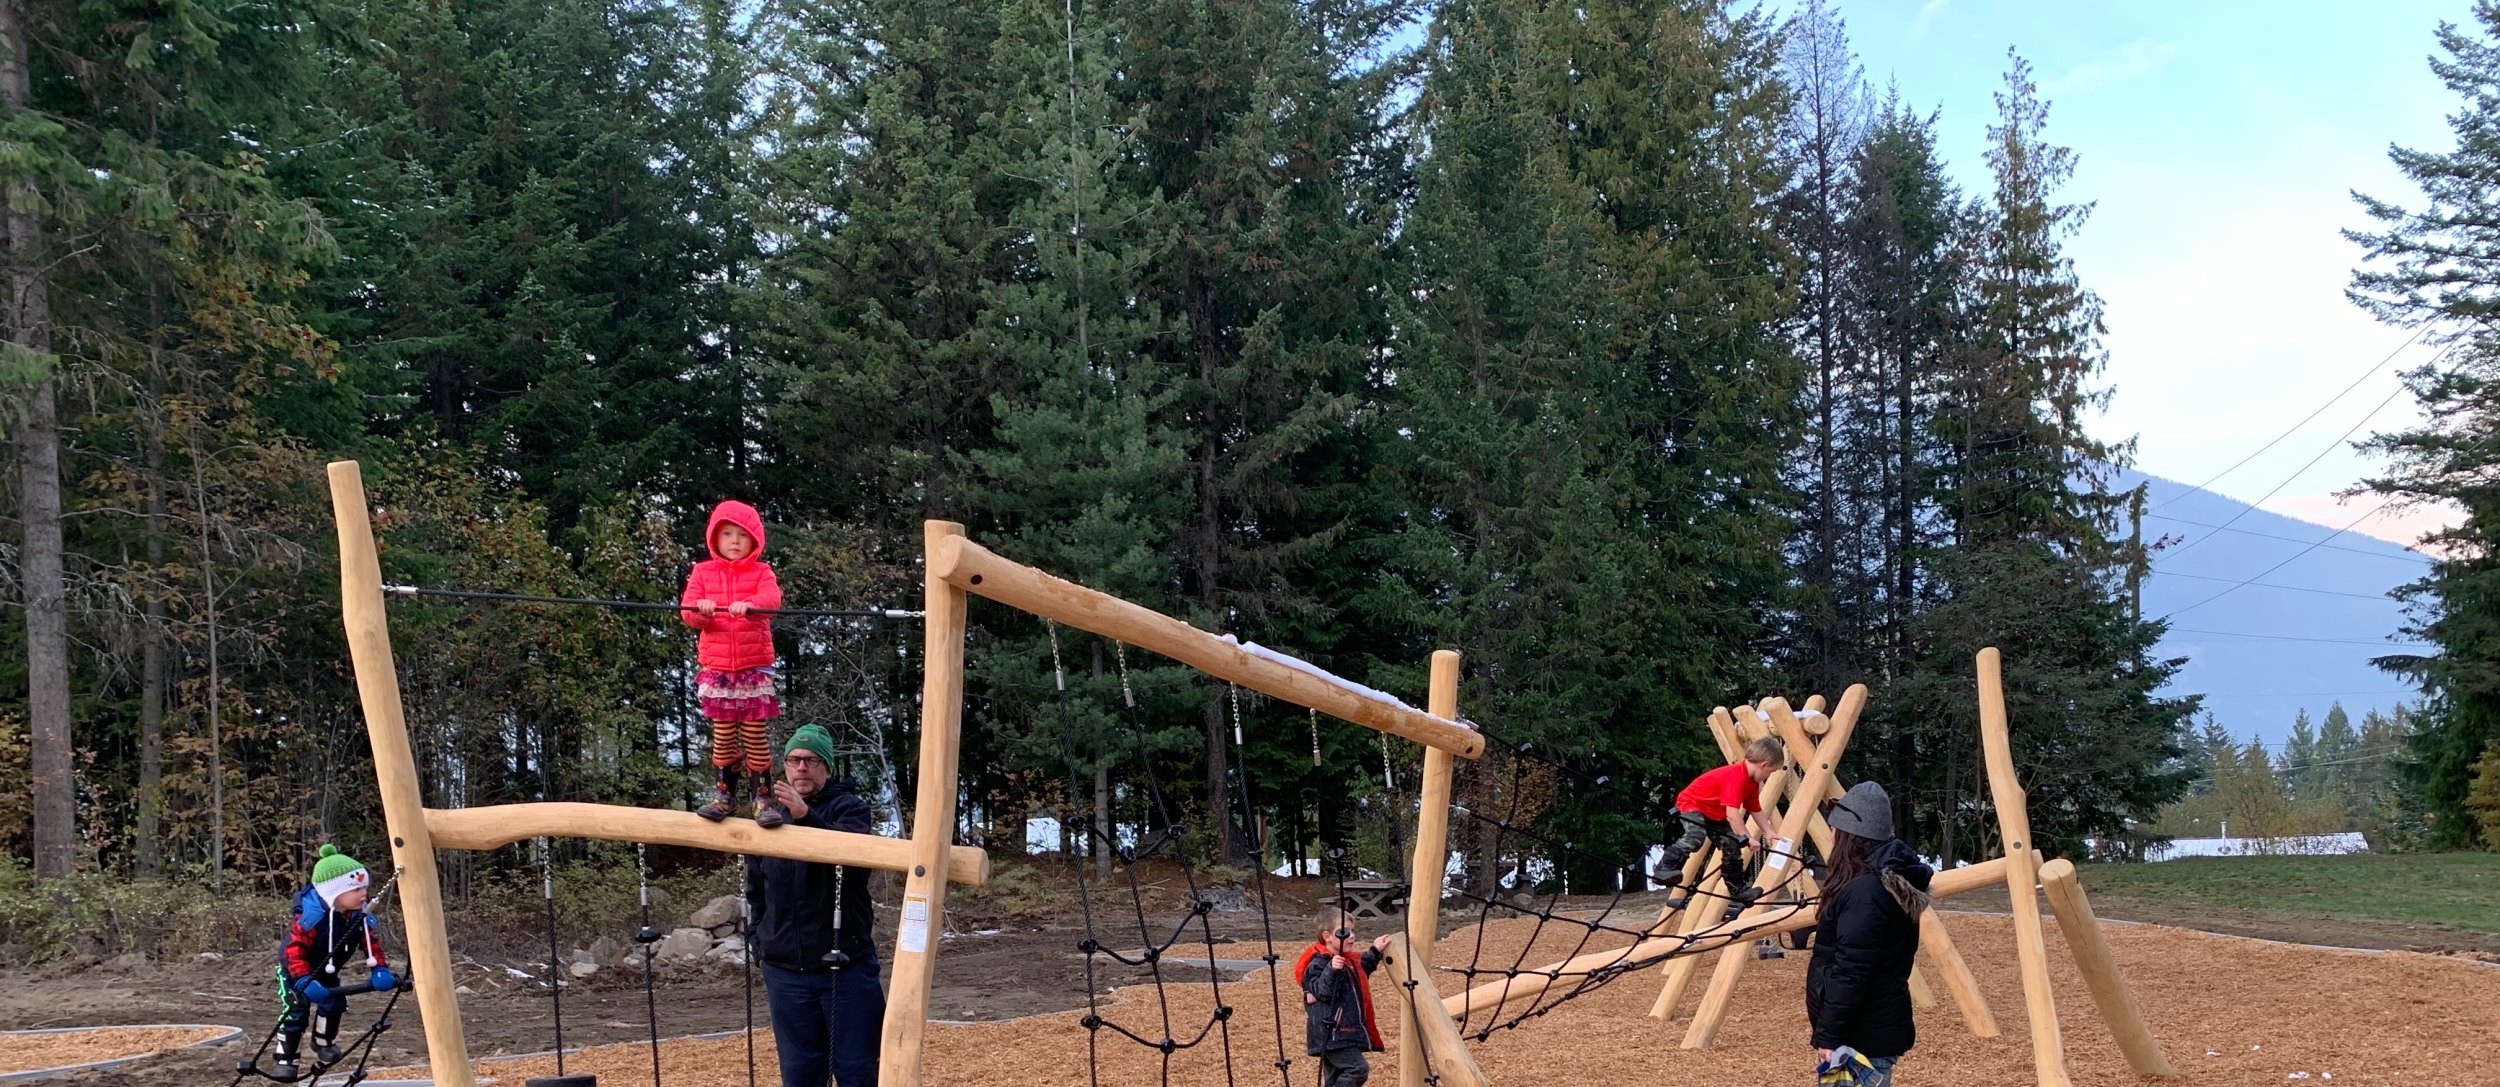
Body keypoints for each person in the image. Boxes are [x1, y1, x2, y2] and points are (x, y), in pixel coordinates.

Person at [750, 724, 884, 1087]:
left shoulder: (851, 808)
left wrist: (806, 816)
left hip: (847, 969)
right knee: (800, 1075)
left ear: (826, 766)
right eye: (794, 760)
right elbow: (755, 889)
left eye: (811, 760)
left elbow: (851, 853)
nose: (801, 768)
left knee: (859, 1072)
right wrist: (759, 943)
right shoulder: (768, 815)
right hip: (785, 972)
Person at [1805, 781, 1932, 1087]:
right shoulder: (1874, 884)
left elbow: (1851, 970)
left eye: (1835, 829)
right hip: (1868, 1027)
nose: (1831, 837)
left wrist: (1831, 1035)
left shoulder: (1866, 892)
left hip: (1860, 1036)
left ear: (1850, 836)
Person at [682, 498, 788, 826]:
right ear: (715, 538)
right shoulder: (702, 572)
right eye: (727, 534)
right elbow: (687, 613)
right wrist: (701, 611)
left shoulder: (762, 572)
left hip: (752, 667)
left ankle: (762, 799)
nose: (734, 542)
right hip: (717, 671)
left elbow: (772, 601)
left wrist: (751, 605)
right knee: (724, 735)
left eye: (742, 535)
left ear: (754, 540)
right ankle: (724, 795)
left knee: (755, 735)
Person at [274, 845, 396, 1082]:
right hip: (295, 970)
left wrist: (379, 968)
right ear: (334, 893)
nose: (364, 894)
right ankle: (286, 1058)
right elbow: (293, 951)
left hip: (327, 969)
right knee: (296, 1012)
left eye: (365, 887)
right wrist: (302, 979)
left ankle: (323, 1041)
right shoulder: (310, 918)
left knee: (335, 1003)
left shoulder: (356, 916)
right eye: (356, 889)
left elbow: (370, 943)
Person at [1654, 735, 1785, 908]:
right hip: (1693, 804)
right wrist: (1747, 837)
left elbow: (1755, 808)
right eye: (1771, 771)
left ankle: (1737, 889)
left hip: (1714, 812)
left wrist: (1768, 831)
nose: (1769, 776)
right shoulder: (1736, 775)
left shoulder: (1751, 782)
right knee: (1695, 836)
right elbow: (1732, 814)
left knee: (1731, 845)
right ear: (1764, 765)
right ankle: (1664, 868)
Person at [1295, 906, 1391, 1087]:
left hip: (1341, 1033)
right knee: (1357, 1069)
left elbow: (1363, 968)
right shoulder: (1317, 963)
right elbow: (1321, 991)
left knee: (1333, 1078)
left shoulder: (1347, 961)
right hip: (1331, 1032)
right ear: (1327, 937)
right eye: (1344, 932)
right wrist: (1332, 969)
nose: (1352, 936)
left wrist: (1376, 950)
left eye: (1353, 931)